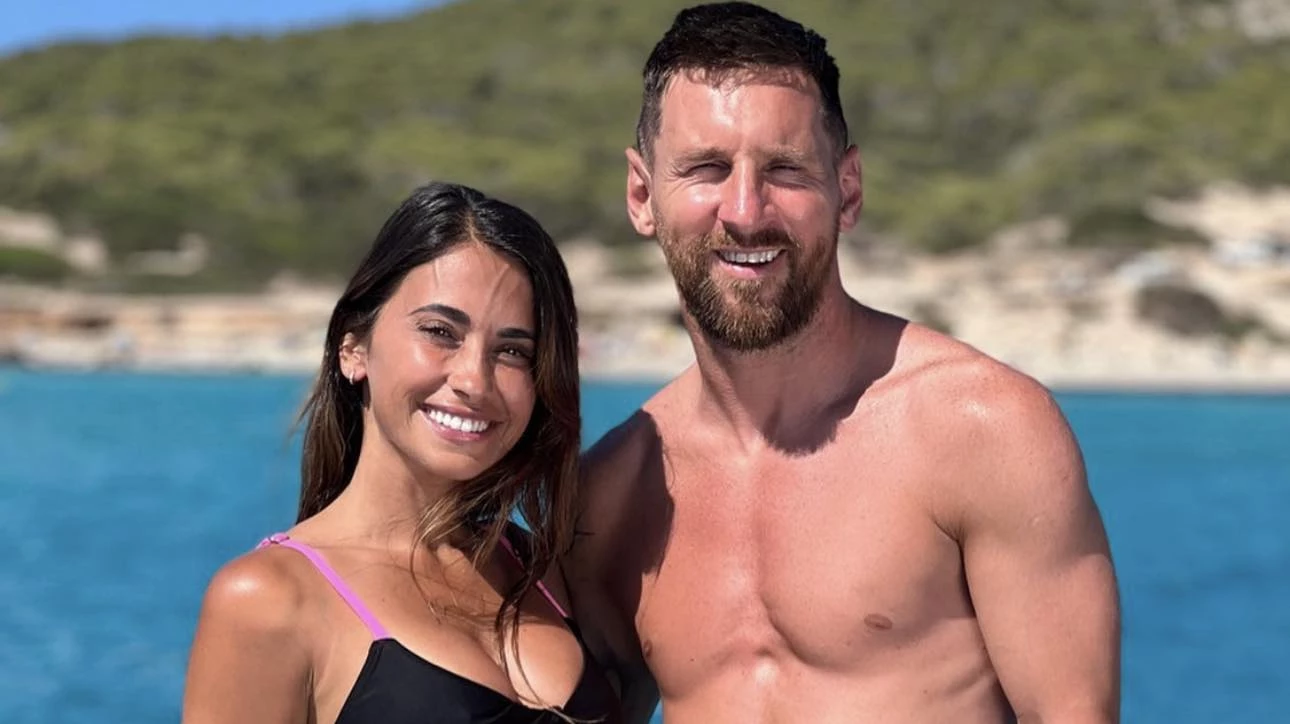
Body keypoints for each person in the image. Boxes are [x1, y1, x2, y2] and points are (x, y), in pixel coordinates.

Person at [565, 3, 1122, 723]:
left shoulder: (981, 431)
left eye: (785, 169)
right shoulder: (611, 497)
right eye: (707, 168)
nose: (745, 211)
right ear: (642, 195)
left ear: (847, 190)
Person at [183, 182, 621, 724]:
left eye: (512, 350)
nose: (474, 380)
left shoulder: (538, 567)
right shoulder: (269, 600)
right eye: (440, 332)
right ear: (353, 347)